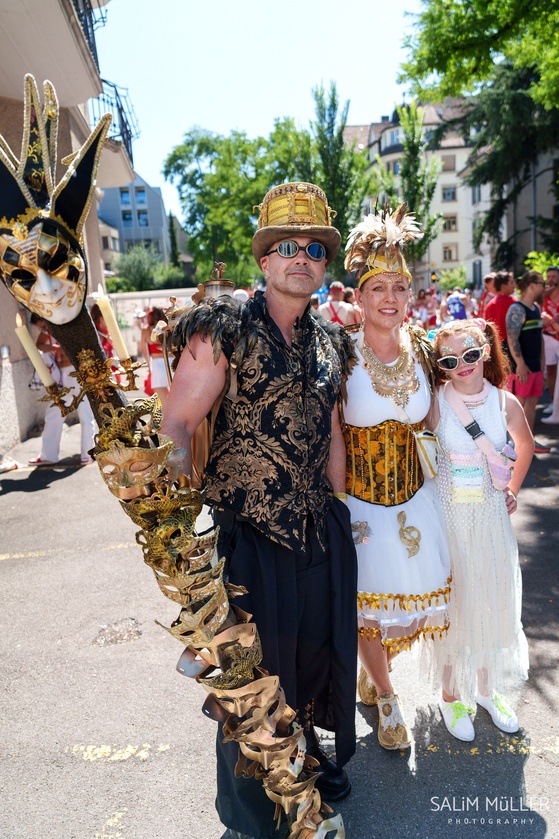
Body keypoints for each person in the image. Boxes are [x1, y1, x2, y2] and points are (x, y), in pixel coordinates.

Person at [161, 182, 358, 839]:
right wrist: (180, 541)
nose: (299, 256)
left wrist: (343, 513)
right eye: (284, 246)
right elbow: (176, 427)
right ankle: (256, 816)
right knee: (248, 682)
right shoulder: (220, 329)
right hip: (245, 538)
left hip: (314, 534)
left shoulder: (331, 341)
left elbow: (331, 433)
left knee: (303, 667)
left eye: (312, 247)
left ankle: (300, 772)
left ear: (323, 263)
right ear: (264, 260)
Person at [342, 205, 451, 751]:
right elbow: (331, 433)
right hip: (358, 503)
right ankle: (387, 695)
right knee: (367, 606)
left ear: (410, 294)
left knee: (406, 608)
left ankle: (374, 670)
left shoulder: (426, 354)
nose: (389, 297)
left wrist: (478, 484)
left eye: (398, 287)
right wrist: (334, 501)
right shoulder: (339, 355)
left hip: (416, 499)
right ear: (358, 297)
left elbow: (440, 427)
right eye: (377, 287)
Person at [430, 319, 533, 740]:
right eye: (452, 359)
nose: (464, 365)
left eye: (471, 354)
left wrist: (513, 487)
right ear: (442, 366)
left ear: (485, 352)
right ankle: (452, 694)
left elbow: (524, 445)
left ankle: (489, 691)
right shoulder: (435, 402)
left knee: (491, 597)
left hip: (490, 519)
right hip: (449, 518)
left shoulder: (504, 402)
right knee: (455, 603)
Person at [28, 315, 95, 465]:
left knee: (85, 412)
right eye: (40, 327)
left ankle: (88, 453)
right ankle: (48, 455)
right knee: (54, 413)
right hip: (61, 376)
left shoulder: (66, 325)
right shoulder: (47, 331)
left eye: (43, 325)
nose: (43, 329)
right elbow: (38, 345)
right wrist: (54, 348)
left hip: (78, 372)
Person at [505, 271, 550, 453]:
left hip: (535, 367)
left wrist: (542, 362)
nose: (544, 287)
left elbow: (538, 337)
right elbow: (512, 338)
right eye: (542, 283)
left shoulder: (536, 309)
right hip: (520, 368)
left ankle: (528, 443)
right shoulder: (517, 309)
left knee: (531, 406)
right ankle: (511, 446)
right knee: (518, 407)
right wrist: (520, 364)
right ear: (532, 285)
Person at [140, 306, 169, 409]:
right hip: (173, 363)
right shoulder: (170, 328)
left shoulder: (146, 330)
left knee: (162, 402)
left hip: (157, 364)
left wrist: (149, 366)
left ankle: (166, 422)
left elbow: (144, 351)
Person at [540, 283, 559, 423]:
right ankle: (554, 403)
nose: (551, 280)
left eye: (554, 276)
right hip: (547, 337)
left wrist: (552, 322)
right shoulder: (543, 298)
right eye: (549, 276)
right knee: (551, 372)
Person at [484, 270, 516, 351]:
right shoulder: (514, 302)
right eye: (511, 282)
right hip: (512, 345)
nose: (514, 285)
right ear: (503, 286)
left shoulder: (489, 305)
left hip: (496, 345)